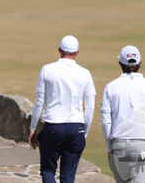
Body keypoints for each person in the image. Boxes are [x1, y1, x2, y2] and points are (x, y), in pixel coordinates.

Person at [29, 36, 96, 183]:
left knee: (47, 171)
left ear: (59, 50)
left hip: (53, 128)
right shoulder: (85, 73)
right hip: (76, 129)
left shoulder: (47, 69)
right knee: (68, 176)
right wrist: (85, 132)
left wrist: (33, 128)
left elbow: (39, 102)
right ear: (77, 52)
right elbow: (90, 107)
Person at [100, 46, 145, 183]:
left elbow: (106, 122)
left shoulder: (111, 87)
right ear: (140, 63)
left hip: (118, 147)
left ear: (120, 64)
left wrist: (110, 149)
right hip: (143, 148)